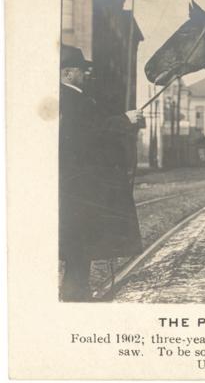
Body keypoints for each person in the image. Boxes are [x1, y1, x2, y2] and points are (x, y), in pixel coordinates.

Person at [59, 45, 143, 301]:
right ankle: (75, 293)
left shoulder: (74, 97)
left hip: (78, 182)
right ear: (68, 73)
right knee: (78, 238)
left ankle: (77, 289)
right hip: (81, 183)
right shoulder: (70, 98)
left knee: (80, 239)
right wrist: (125, 120)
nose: (86, 75)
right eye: (82, 71)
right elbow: (90, 131)